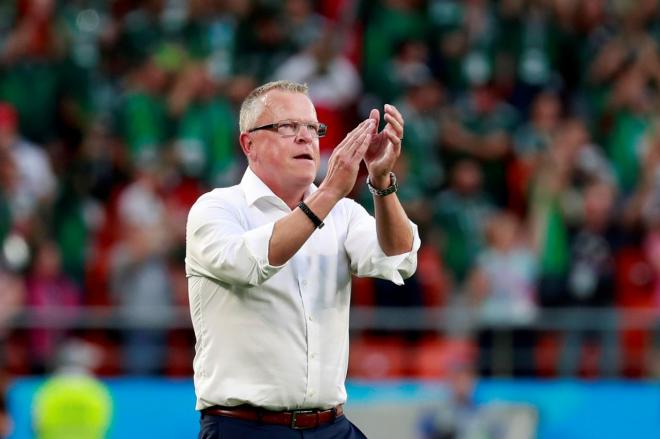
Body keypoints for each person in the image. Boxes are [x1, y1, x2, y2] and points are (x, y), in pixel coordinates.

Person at [185, 80, 420, 438]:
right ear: (249, 144)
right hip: (244, 427)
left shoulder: (343, 213)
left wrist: (381, 179)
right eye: (287, 127)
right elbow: (252, 265)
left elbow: (401, 256)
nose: (305, 137)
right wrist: (329, 192)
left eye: (312, 128)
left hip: (331, 425)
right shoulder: (216, 209)